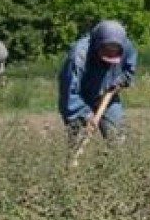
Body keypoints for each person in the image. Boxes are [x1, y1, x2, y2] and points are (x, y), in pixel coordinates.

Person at [58, 19, 137, 147]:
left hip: (107, 94)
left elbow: (128, 70)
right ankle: (71, 164)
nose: (111, 55)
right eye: (106, 51)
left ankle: (112, 165)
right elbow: (69, 93)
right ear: (97, 44)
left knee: (117, 138)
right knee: (78, 142)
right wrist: (86, 115)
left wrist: (120, 82)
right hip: (78, 100)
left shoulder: (126, 47)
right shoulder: (78, 57)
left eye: (115, 52)